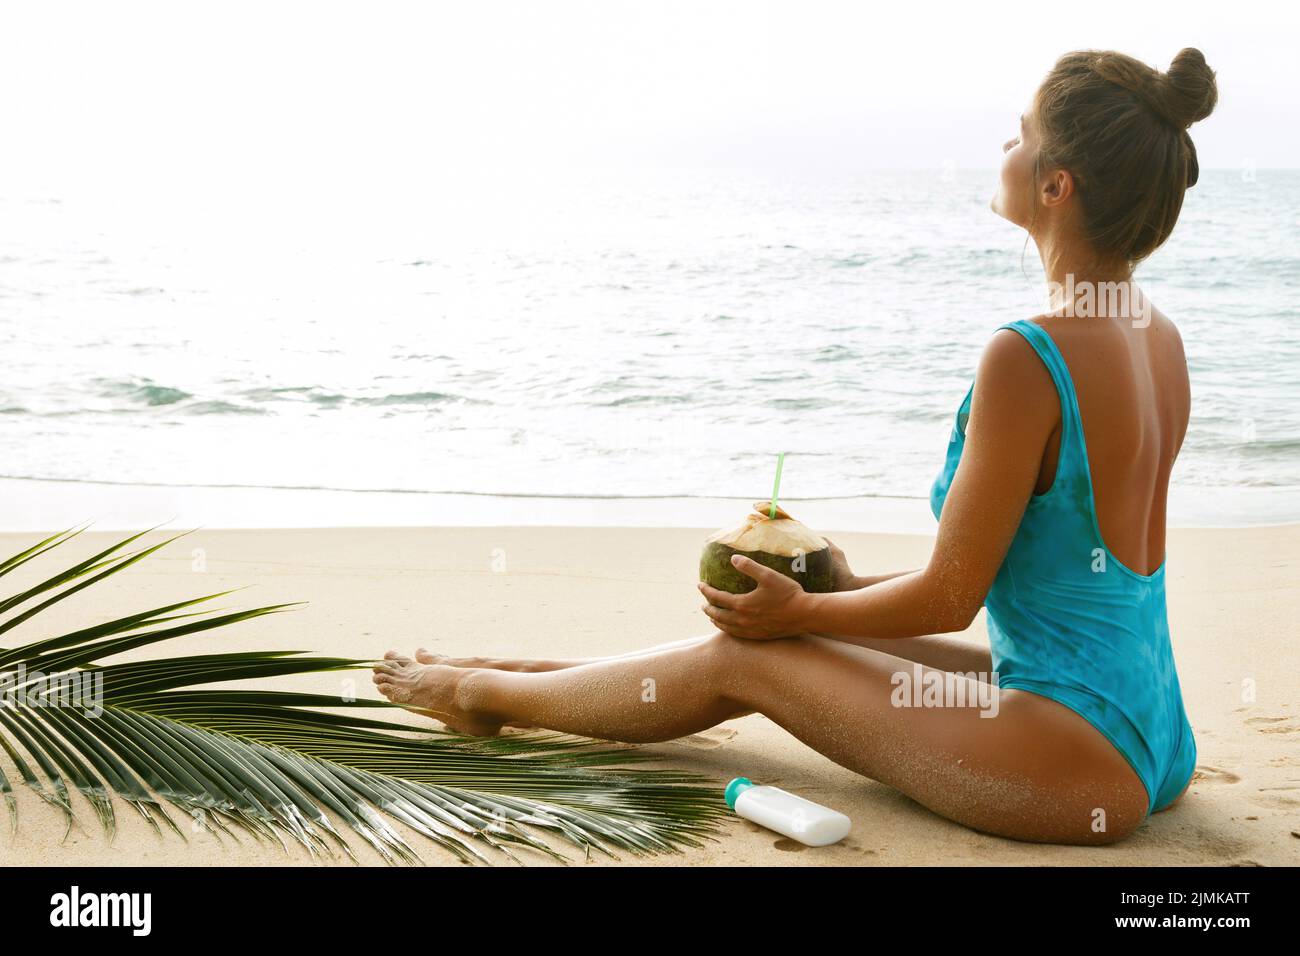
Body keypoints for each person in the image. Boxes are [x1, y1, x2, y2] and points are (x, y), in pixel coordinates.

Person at [373, 47, 1217, 846]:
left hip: (1071, 756)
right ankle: (524, 672)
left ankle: (479, 695)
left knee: (749, 653)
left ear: (1056, 184)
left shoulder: (1025, 355)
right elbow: (1044, 575)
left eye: (1022, 134)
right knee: (814, 636)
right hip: (1150, 725)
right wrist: (843, 589)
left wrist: (807, 610)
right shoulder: (1158, 336)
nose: (1006, 146)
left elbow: (947, 603)